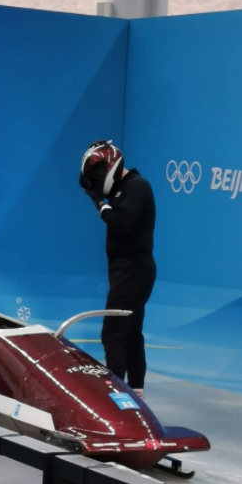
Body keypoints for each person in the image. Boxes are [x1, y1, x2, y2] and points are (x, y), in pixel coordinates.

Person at [80, 140, 156, 399]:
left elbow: (122, 225)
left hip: (134, 270)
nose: (98, 182)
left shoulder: (137, 186)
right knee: (131, 330)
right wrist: (100, 198)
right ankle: (135, 393)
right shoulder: (123, 189)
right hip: (126, 270)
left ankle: (115, 395)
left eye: (98, 176)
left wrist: (100, 205)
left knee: (114, 331)